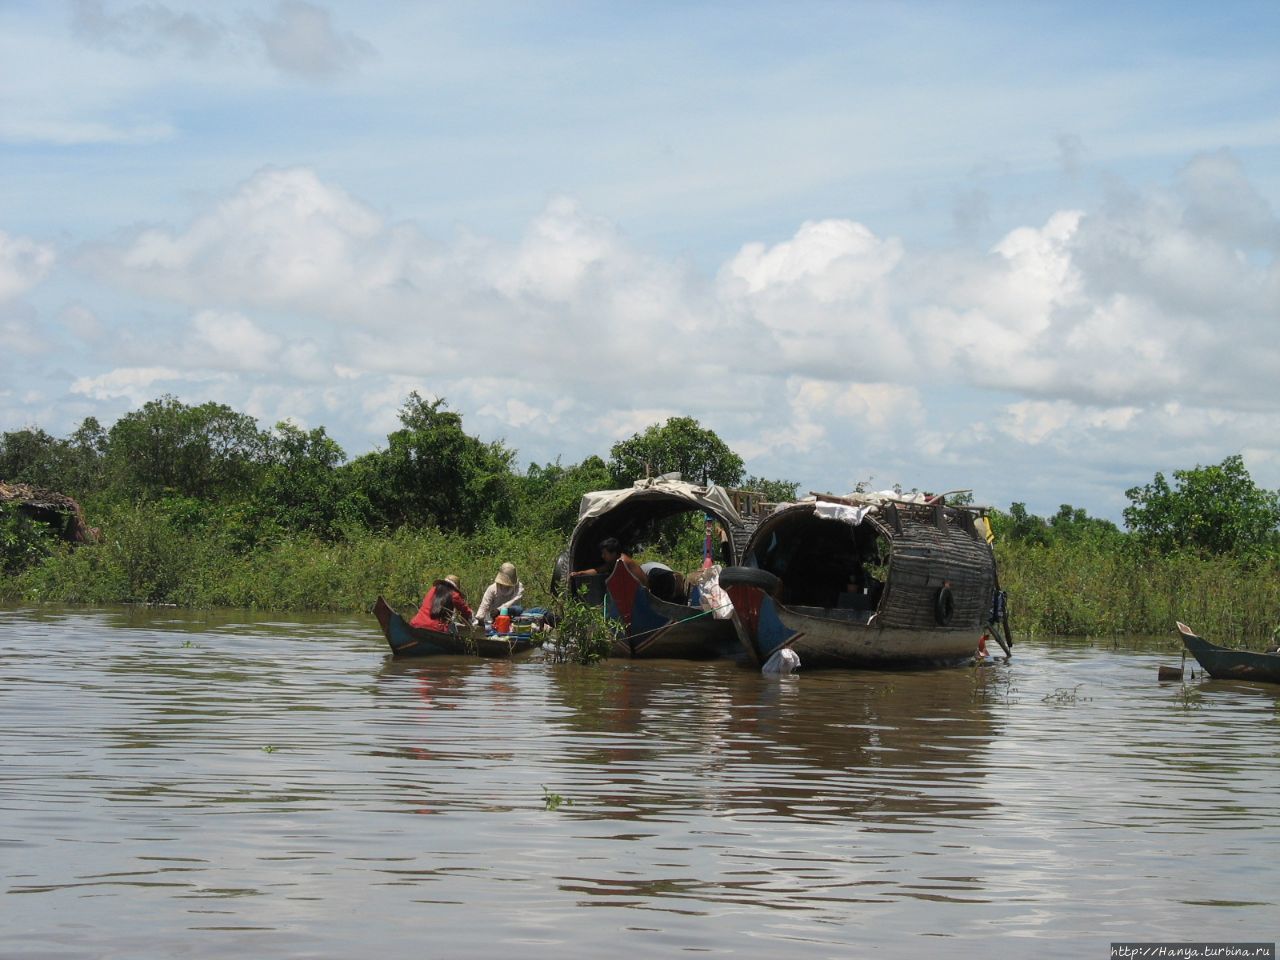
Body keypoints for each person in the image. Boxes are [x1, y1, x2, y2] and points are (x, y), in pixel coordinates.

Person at [571, 537, 648, 585]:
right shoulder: (615, 560)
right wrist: (580, 573)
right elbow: (598, 570)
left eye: (605, 554)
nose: (602, 556)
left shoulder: (622, 562)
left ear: (613, 553)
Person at [409, 574, 474, 631]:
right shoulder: (454, 595)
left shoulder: (432, 589)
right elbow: (466, 612)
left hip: (416, 623)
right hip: (436, 628)